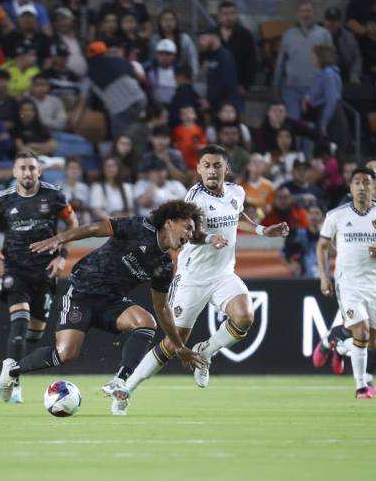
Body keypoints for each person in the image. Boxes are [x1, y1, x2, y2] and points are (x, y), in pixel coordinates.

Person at [118, 146, 289, 415]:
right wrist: (210, 238)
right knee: (173, 345)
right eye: (206, 165)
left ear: (226, 168)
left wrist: (261, 230)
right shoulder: (194, 198)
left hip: (222, 274)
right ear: (198, 169)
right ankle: (127, 389)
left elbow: (237, 215)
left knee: (244, 316)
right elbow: (188, 233)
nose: (212, 170)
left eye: (217, 165)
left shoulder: (236, 192)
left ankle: (206, 352)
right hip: (192, 277)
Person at [0, 199, 205, 407]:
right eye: (187, 227)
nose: (190, 235)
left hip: (111, 302)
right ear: (169, 222)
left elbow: (161, 307)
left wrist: (178, 346)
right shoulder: (140, 227)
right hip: (81, 293)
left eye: (192, 232)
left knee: (147, 321)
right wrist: (60, 238)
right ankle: (13, 370)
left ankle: (119, 381)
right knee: (66, 354)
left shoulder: (164, 266)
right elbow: (96, 228)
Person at [0, 151, 79, 403]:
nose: (27, 172)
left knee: (34, 334)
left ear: (39, 171)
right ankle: (12, 378)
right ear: (14, 172)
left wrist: (62, 256)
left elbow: (73, 225)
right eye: (22, 168)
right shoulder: (3, 200)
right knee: (20, 320)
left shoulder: (54, 196)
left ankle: (14, 367)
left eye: (31, 168)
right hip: (15, 268)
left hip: (45, 272)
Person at [314, 157, 376, 385]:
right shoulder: (348, 204)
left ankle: (340, 346)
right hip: (352, 278)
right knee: (360, 329)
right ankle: (363, 381)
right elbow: (331, 240)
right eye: (362, 178)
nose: (367, 181)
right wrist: (345, 257)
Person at [274, 0, 332, 119]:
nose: (305, 15)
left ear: (314, 14)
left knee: (311, 127)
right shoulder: (288, 35)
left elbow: (329, 64)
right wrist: (276, 85)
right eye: (302, 11)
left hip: (315, 88)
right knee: (293, 122)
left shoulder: (324, 34)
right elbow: (280, 63)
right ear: (297, 14)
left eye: (308, 11)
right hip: (291, 88)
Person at [282, 204, 324, 278]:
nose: (313, 216)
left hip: (322, 278)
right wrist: (292, 264)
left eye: (317, 213)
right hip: (303, 279)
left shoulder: (327, 238)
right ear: (307, 216)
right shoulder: (297, 235)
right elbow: (285, 254)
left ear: (323, 217)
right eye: (310, 213)